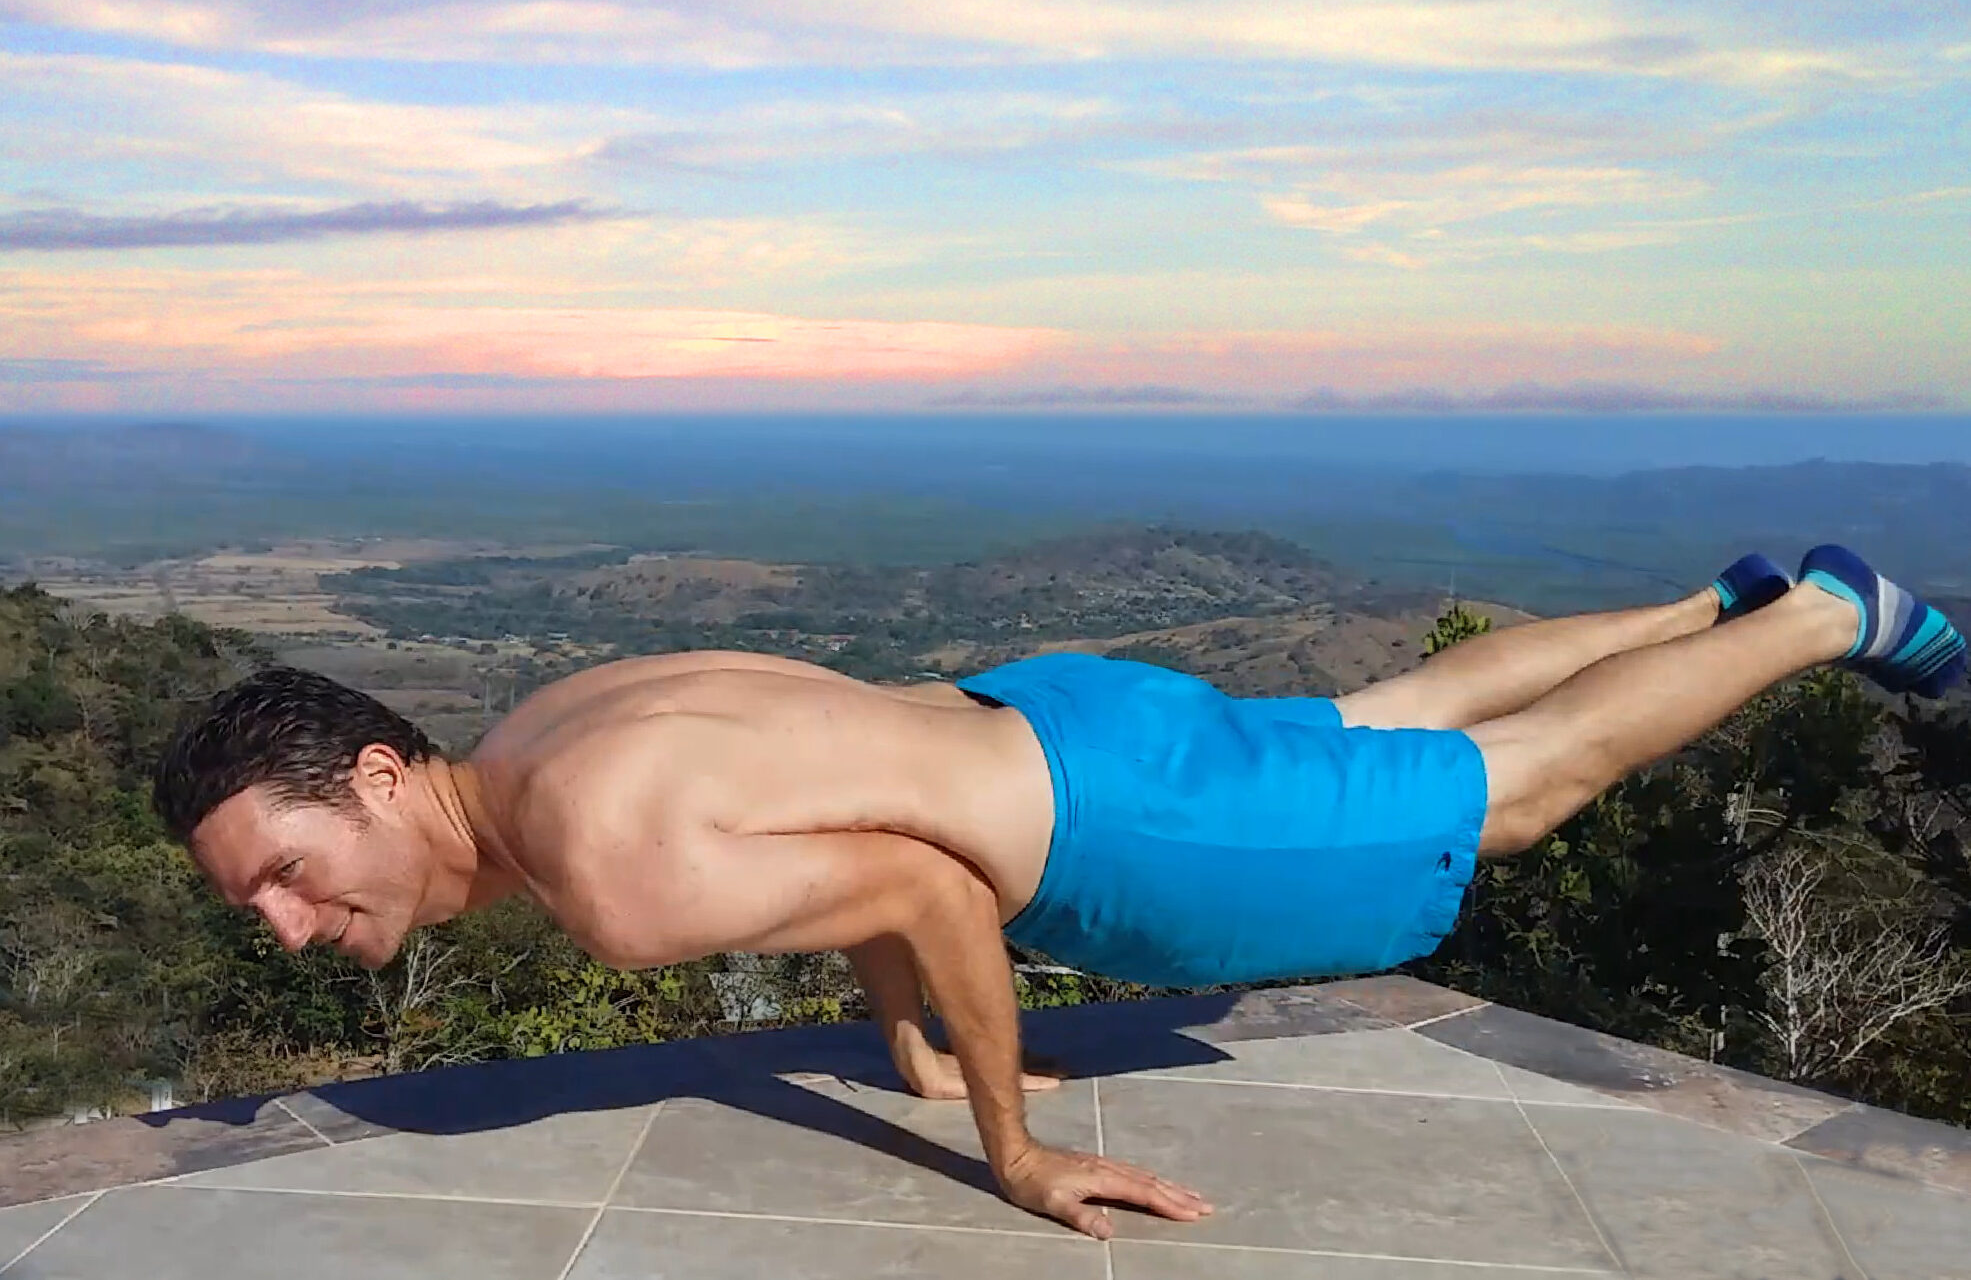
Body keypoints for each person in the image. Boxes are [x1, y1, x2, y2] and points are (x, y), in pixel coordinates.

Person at [151, 544, 1962, 1239]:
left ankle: (1824, 616)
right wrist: (910, 1056)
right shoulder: (550, 726)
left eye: (296, 877)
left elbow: (933, 888)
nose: (298, 927)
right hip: (1057, 706)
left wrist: (1009, 1142)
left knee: (1513, 797)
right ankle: (1714, 607)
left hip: (1117, 817)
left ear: (380, 776)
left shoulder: (602, 872)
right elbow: (843, 802)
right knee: (1383, 716)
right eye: (266, 915)